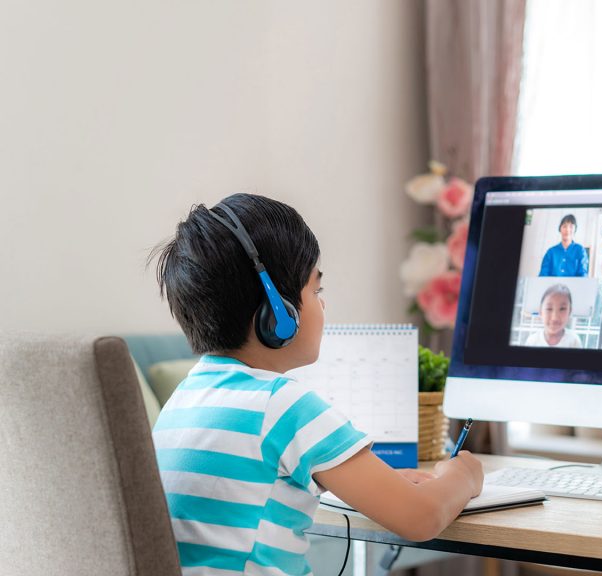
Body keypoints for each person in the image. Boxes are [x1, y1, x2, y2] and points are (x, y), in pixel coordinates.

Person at [150, 193, 483, 575]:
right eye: (316, 291)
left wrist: (378, 481)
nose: (322, 305)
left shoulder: (182, 402)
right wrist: (463, 475)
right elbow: (422, 517)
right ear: (278, 314)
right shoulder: (283, 404)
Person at [524, 283, 583, 348]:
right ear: (541, 311)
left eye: (562, 309)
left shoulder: (574, 341)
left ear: (569, 311)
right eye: (549, 309)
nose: (554, 318)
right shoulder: (532, 341)